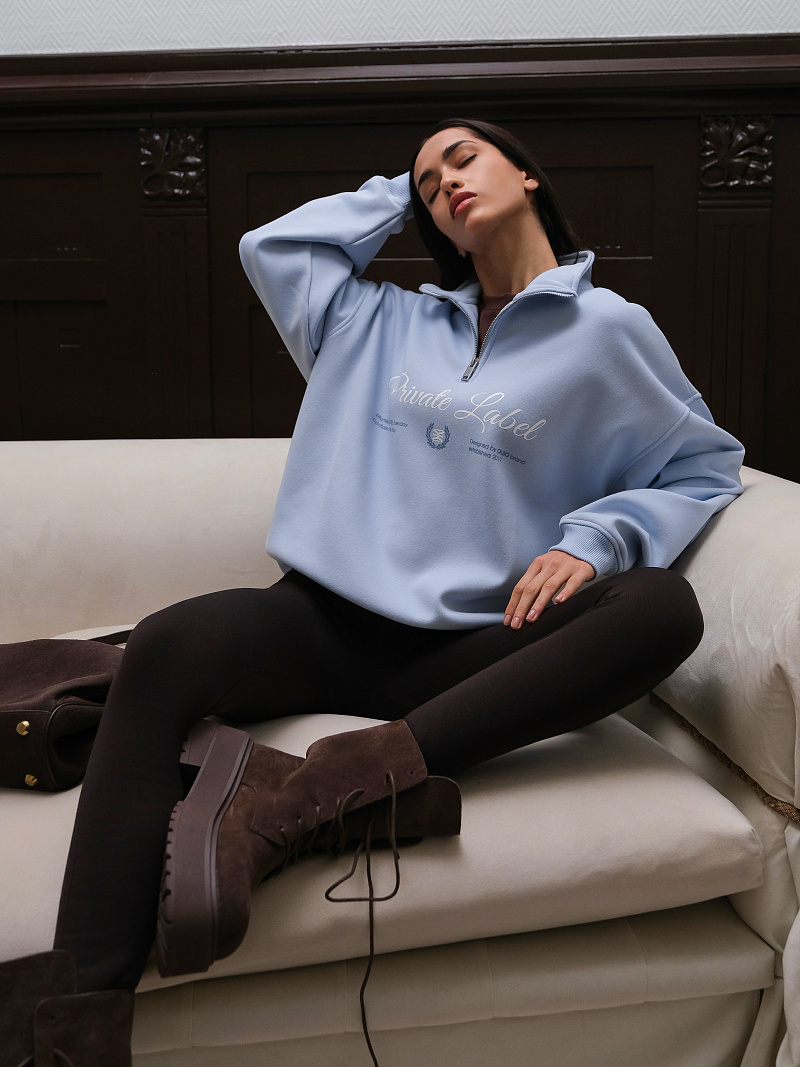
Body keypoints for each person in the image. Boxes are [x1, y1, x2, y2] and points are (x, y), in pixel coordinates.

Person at [4, 118, 744, 1064]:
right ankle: (65, 1027)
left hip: (467, 650)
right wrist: (402, 192)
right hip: (321, 622)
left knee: (663, 608)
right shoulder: (371, 319)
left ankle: (315, 794)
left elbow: (704, 466)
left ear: (527, 171)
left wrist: (599, 541)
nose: (446, 184)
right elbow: (272, 249)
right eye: (429, 182)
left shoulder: (610, 331)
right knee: (165, 642)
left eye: (464, 159)